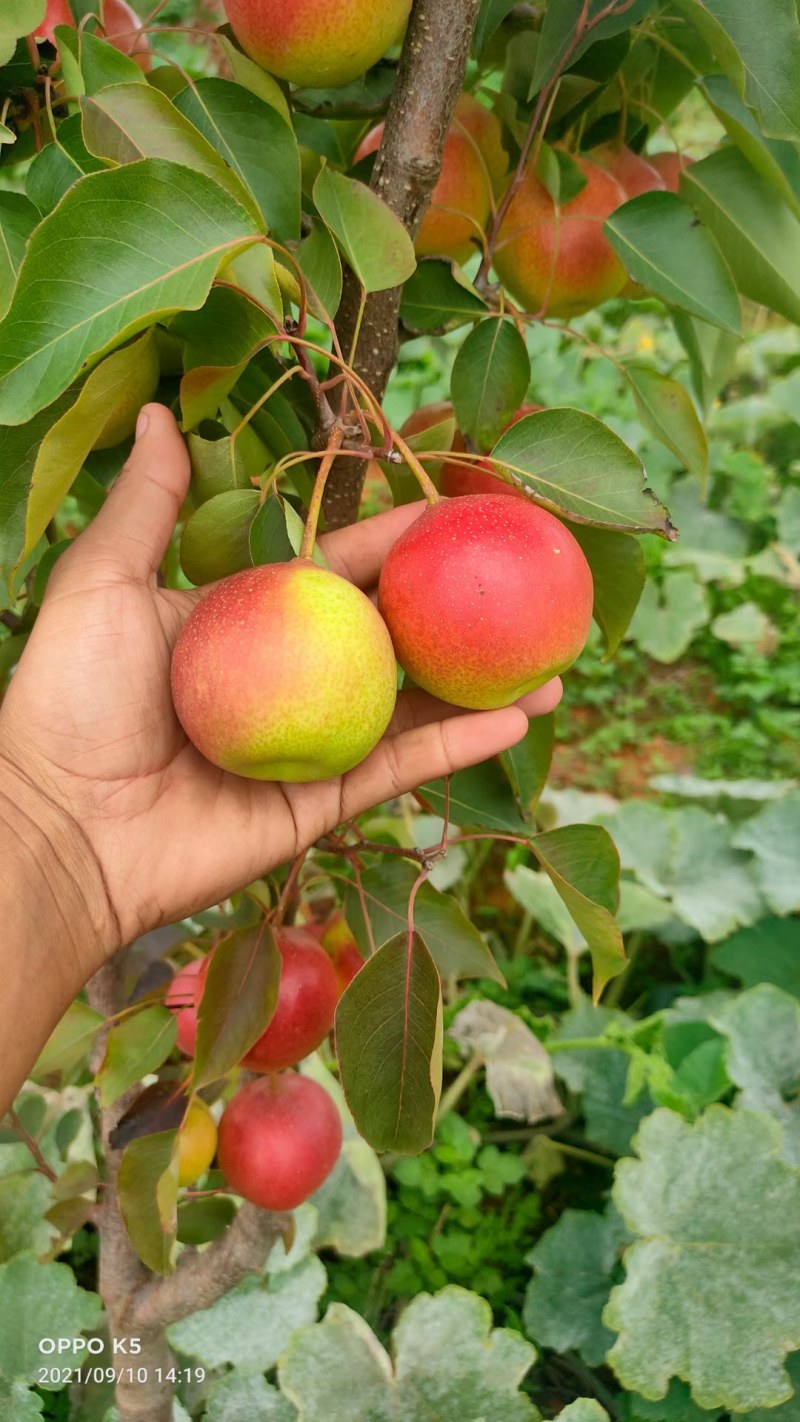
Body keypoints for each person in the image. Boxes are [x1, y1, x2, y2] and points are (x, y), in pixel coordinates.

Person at [0, 405, 562, 1110]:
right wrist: (44, 820)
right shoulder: (336, 617)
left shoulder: (382, 598)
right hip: (286, 729)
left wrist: (44, 828)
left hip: (272, 728)